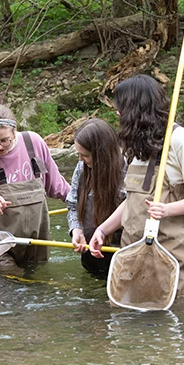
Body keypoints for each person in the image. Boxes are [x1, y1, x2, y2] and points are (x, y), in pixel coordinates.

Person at [89, 74, 184, 296]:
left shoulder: (180, 141)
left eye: (121, 107)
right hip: (133, 252)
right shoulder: (137, 146)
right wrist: (102, 229)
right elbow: (134, 200)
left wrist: (167, 209)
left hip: (170, 253)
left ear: (137, 109)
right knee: (126, 319)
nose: (117, 113)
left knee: (172, 317)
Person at [0, 104, 70, 275]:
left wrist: (82, 204)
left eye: (5, 140)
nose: (0, 147)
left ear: (15, 131)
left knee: (37, 284)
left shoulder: (33, 143)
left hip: (37, 240)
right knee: (13, 284)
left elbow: (56, 186)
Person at [66, 118, 125, 279]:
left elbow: (132, 208)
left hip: (121, 256)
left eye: (85, 155)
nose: (80, 159)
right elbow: (72, 204)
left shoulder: (127, 169)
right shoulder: (82, 168)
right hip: (90, 254)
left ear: (102, 153)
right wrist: (76, 229)